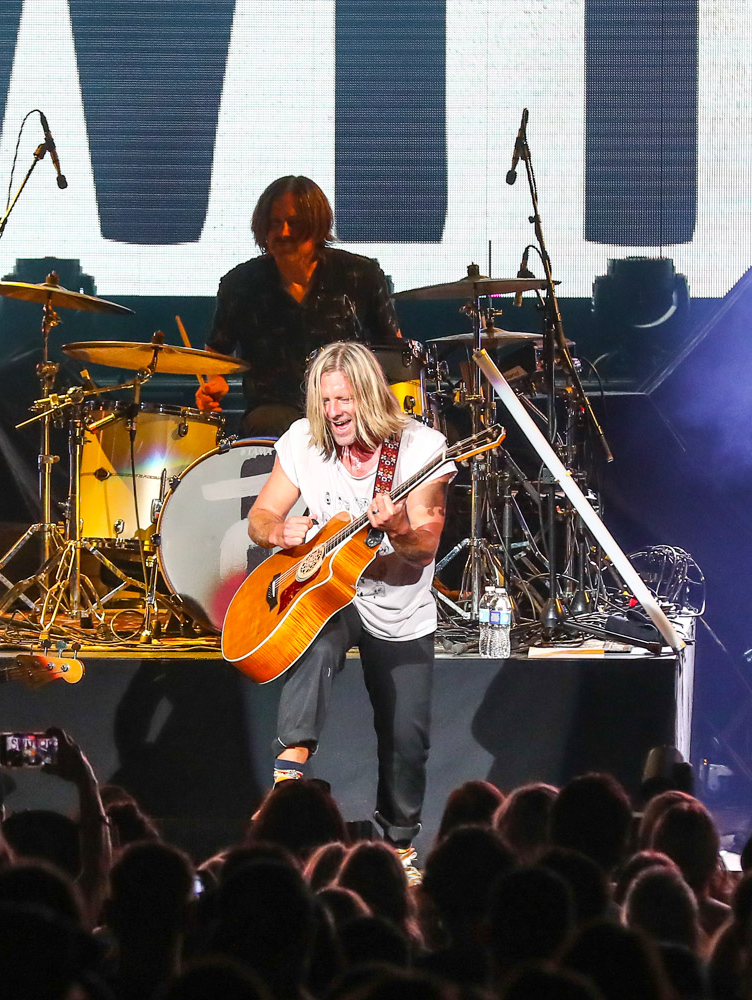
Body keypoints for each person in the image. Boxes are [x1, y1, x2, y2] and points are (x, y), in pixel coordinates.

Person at [245, 341, 456, 881]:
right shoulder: (302, 440)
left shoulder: (419, 448)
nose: (334, 411)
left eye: (344, 399)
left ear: (369, 395)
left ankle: (400, 847)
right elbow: (262, 515)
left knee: (406, 737)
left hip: (399, 604)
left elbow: (425, 546)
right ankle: (288, 779)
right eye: (325, 400)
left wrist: (399, 527)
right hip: (332, 593)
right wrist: (279, 531)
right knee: (312, 644)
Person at [197, 175, 405, 437]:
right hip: (272, 412)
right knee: (270, 424)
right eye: (274, 223)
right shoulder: (240, 283)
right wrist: (214, 382)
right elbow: (216, 351)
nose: (283, 232)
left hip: (349, 406)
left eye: (294, 224)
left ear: (317, 225)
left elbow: (393, 350)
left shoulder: (360, 275)